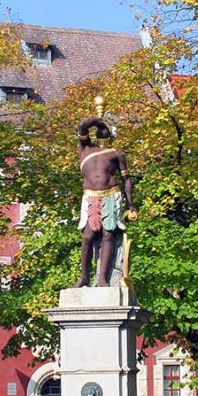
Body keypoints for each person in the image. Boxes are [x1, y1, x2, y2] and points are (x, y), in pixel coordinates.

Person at [73, 117, 136, 287]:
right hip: (91, 196)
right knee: (87, 236)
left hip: (111, 195)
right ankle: (84, 277)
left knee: (108, 235)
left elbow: (127, 180)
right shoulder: (85, 149)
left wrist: (131, 205)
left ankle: (103, 279)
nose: (103, 131)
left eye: (105, 130)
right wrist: (97, 121)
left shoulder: (116, 154)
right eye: (101, 129)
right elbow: (82, 125)